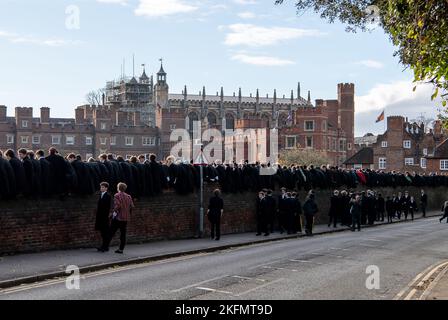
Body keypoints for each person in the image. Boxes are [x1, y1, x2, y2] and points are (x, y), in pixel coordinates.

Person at [106, 182, 134, 254]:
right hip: (125, 218)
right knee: (123, 234)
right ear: (125, 188)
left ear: (118, 188)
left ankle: (105, 246)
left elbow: (118, 205)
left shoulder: (117, 195)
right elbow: (132, 206)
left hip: (118, 218)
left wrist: (112, 213)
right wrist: (128, 213)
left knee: (111, 232)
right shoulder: (128, 196)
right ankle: (121, 249)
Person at [95, 182, 112, 252]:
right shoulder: (101, 195)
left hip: (104, 217)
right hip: (100, 217)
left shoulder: (108, 196)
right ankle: (103, 246)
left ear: (106, 188)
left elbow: (107, 207)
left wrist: (107, 216)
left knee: (105, 232)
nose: (101, 188)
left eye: (102, 187)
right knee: (102, 233)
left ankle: (106, 247)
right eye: (101, 187)